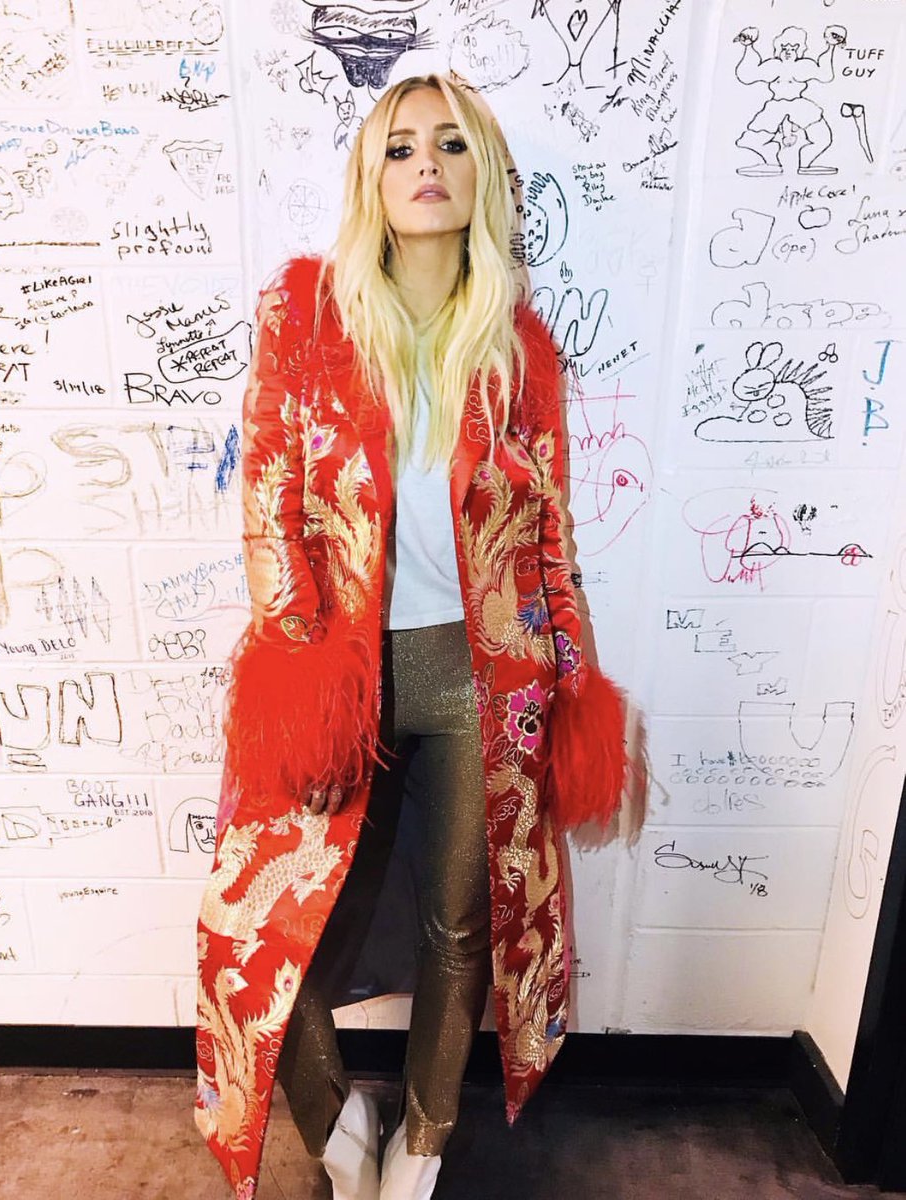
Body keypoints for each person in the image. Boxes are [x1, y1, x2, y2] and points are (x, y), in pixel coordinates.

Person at [194, 72, 628, 1200]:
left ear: (481, 174)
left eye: (448, 143)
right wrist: (299, 666)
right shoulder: (307, 319)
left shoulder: (518, 352)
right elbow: (271, 510)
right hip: (336, 675)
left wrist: (574, 683)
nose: (424, 164)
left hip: (486, 680)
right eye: (398, 148)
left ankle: (423, 1144)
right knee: (263, 929)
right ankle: (340, 1124)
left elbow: (548, 541)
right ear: (371, 181)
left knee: (459, 927)